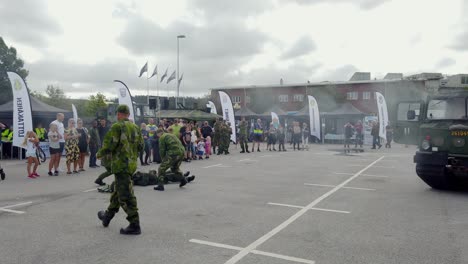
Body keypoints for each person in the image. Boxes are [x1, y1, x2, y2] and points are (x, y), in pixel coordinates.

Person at [97, 104, 144, 235]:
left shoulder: (117, 126)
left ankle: (135, 224)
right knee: (118, 191)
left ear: (118, 114)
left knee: (125, 195)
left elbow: (109, 145)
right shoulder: (135, 128)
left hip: (120, 165)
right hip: (130, 165)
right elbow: (141, 147)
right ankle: (107, 217)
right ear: (128, 114)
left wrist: (99, 154)